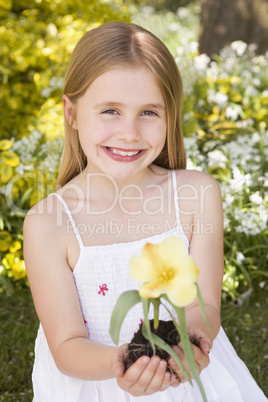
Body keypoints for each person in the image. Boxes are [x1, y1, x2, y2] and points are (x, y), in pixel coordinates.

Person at [23, 22, 267, 402]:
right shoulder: (48, 224)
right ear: (71, 113)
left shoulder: (196, 195)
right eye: (110, 111)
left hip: (188, 382)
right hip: (99, 385)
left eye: (149, 113)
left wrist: (191, 345)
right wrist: (126, 362)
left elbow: (204, 307)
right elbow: (68, 345)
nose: (129, 133)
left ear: (170, 115)